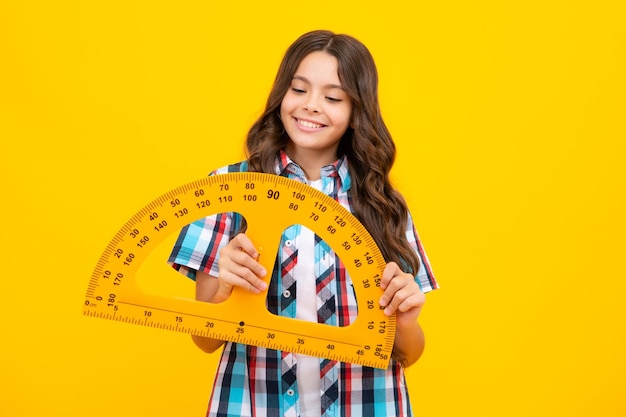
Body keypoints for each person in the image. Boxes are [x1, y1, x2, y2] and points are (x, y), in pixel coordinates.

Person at [168, 29, 438, 417]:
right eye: (299, 90)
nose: (311, 106)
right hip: (254, 405)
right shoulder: (228, 190)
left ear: (356, 111)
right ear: (281, 95)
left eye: (332, 97)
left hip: (367, 404)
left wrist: (407, 320)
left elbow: (407, 354)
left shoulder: (383, 204)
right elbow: (204, 340)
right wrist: (226, 285)